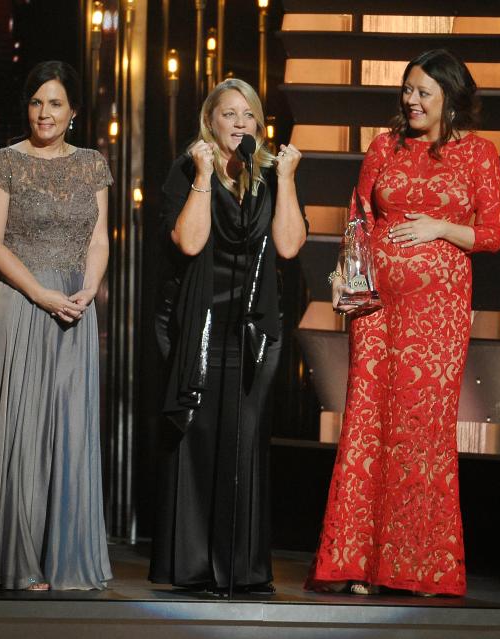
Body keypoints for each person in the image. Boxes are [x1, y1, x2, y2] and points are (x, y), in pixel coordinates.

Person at [308, 49, 500, 597]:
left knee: (421, 433)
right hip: (376, 311)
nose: (411, 101)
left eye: (423, 92)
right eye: (408, 90)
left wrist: (438, 226)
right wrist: (347, 274)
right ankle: (359, 566)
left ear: (450, 98)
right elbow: (359, 215)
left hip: (436, 314)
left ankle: (417, 567)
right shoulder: (383, 146)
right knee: (367, 425)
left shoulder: (479, 155)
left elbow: (490, 235)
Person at [0, 61, 113, 591]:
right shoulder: (5, 163)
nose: (45, 113)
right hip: (22, 303)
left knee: (70, 432)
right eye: (38, 102)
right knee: (22, 431)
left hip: (74, 306)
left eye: (56, 103)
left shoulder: (92, 165)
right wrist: (42, 294)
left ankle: (67, 561)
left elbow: (99, 237)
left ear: (74, 112)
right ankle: (16, 562)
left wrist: (90, 286)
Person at [150, 78, 307, 595]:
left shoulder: (265, 176)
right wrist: (201, 174)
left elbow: (287, 246)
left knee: (245, 444)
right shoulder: (186, 169)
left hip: (256, 328)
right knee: (197, 439)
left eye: (249, 116)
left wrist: (286, 179)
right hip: (200, 325)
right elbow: (189, 241)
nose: (240, 124)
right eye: (229, 115)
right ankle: (192, 566)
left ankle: (240, 568)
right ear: (210, 120)